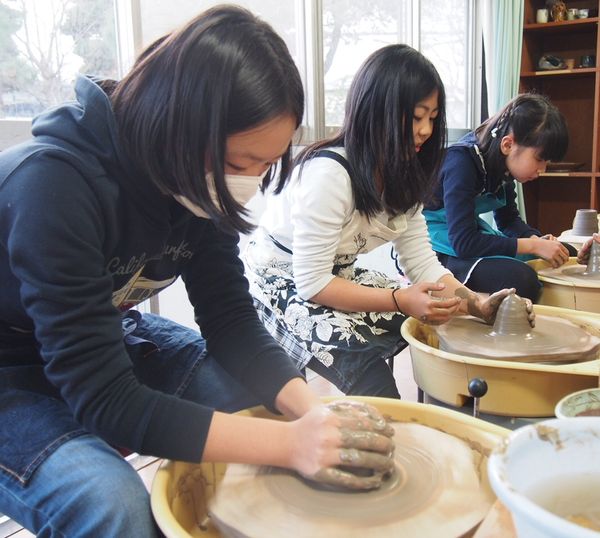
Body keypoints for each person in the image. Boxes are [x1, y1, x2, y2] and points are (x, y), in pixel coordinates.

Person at [0, 6, 396, 537]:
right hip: (12, 371)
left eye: (264, 166)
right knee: (112, 502)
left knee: (260, 407)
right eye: (239, 164)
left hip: (99, 337)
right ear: (179, 124)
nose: (248, 183)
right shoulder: (53, 185)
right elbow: (105, 400)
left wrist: (311, 414)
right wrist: (292, 444)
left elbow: (232, 322)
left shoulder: (192, 182)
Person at [244, 44, 519, 401]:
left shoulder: (404, 174)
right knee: (362, 365)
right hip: (280, 277)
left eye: (433, 118)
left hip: (333, 272)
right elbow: (311, 283)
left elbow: (422, 264)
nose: (425, 130)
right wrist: (399, 299)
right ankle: (386, 438)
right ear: (378, 112)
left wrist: (475, 305)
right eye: (417, 116)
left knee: (432, 324)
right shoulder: (329, 174)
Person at [423, 93, 576, 302]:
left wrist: (536, 239)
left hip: (467, 235)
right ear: (508, 145)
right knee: (523, 279)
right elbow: (464, 242)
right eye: (539, 159)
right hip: (437, 244)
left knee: (567, 253)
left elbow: (508, 221)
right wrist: (532, 246)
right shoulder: (462, 162)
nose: (542, 169)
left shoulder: (502, 166)